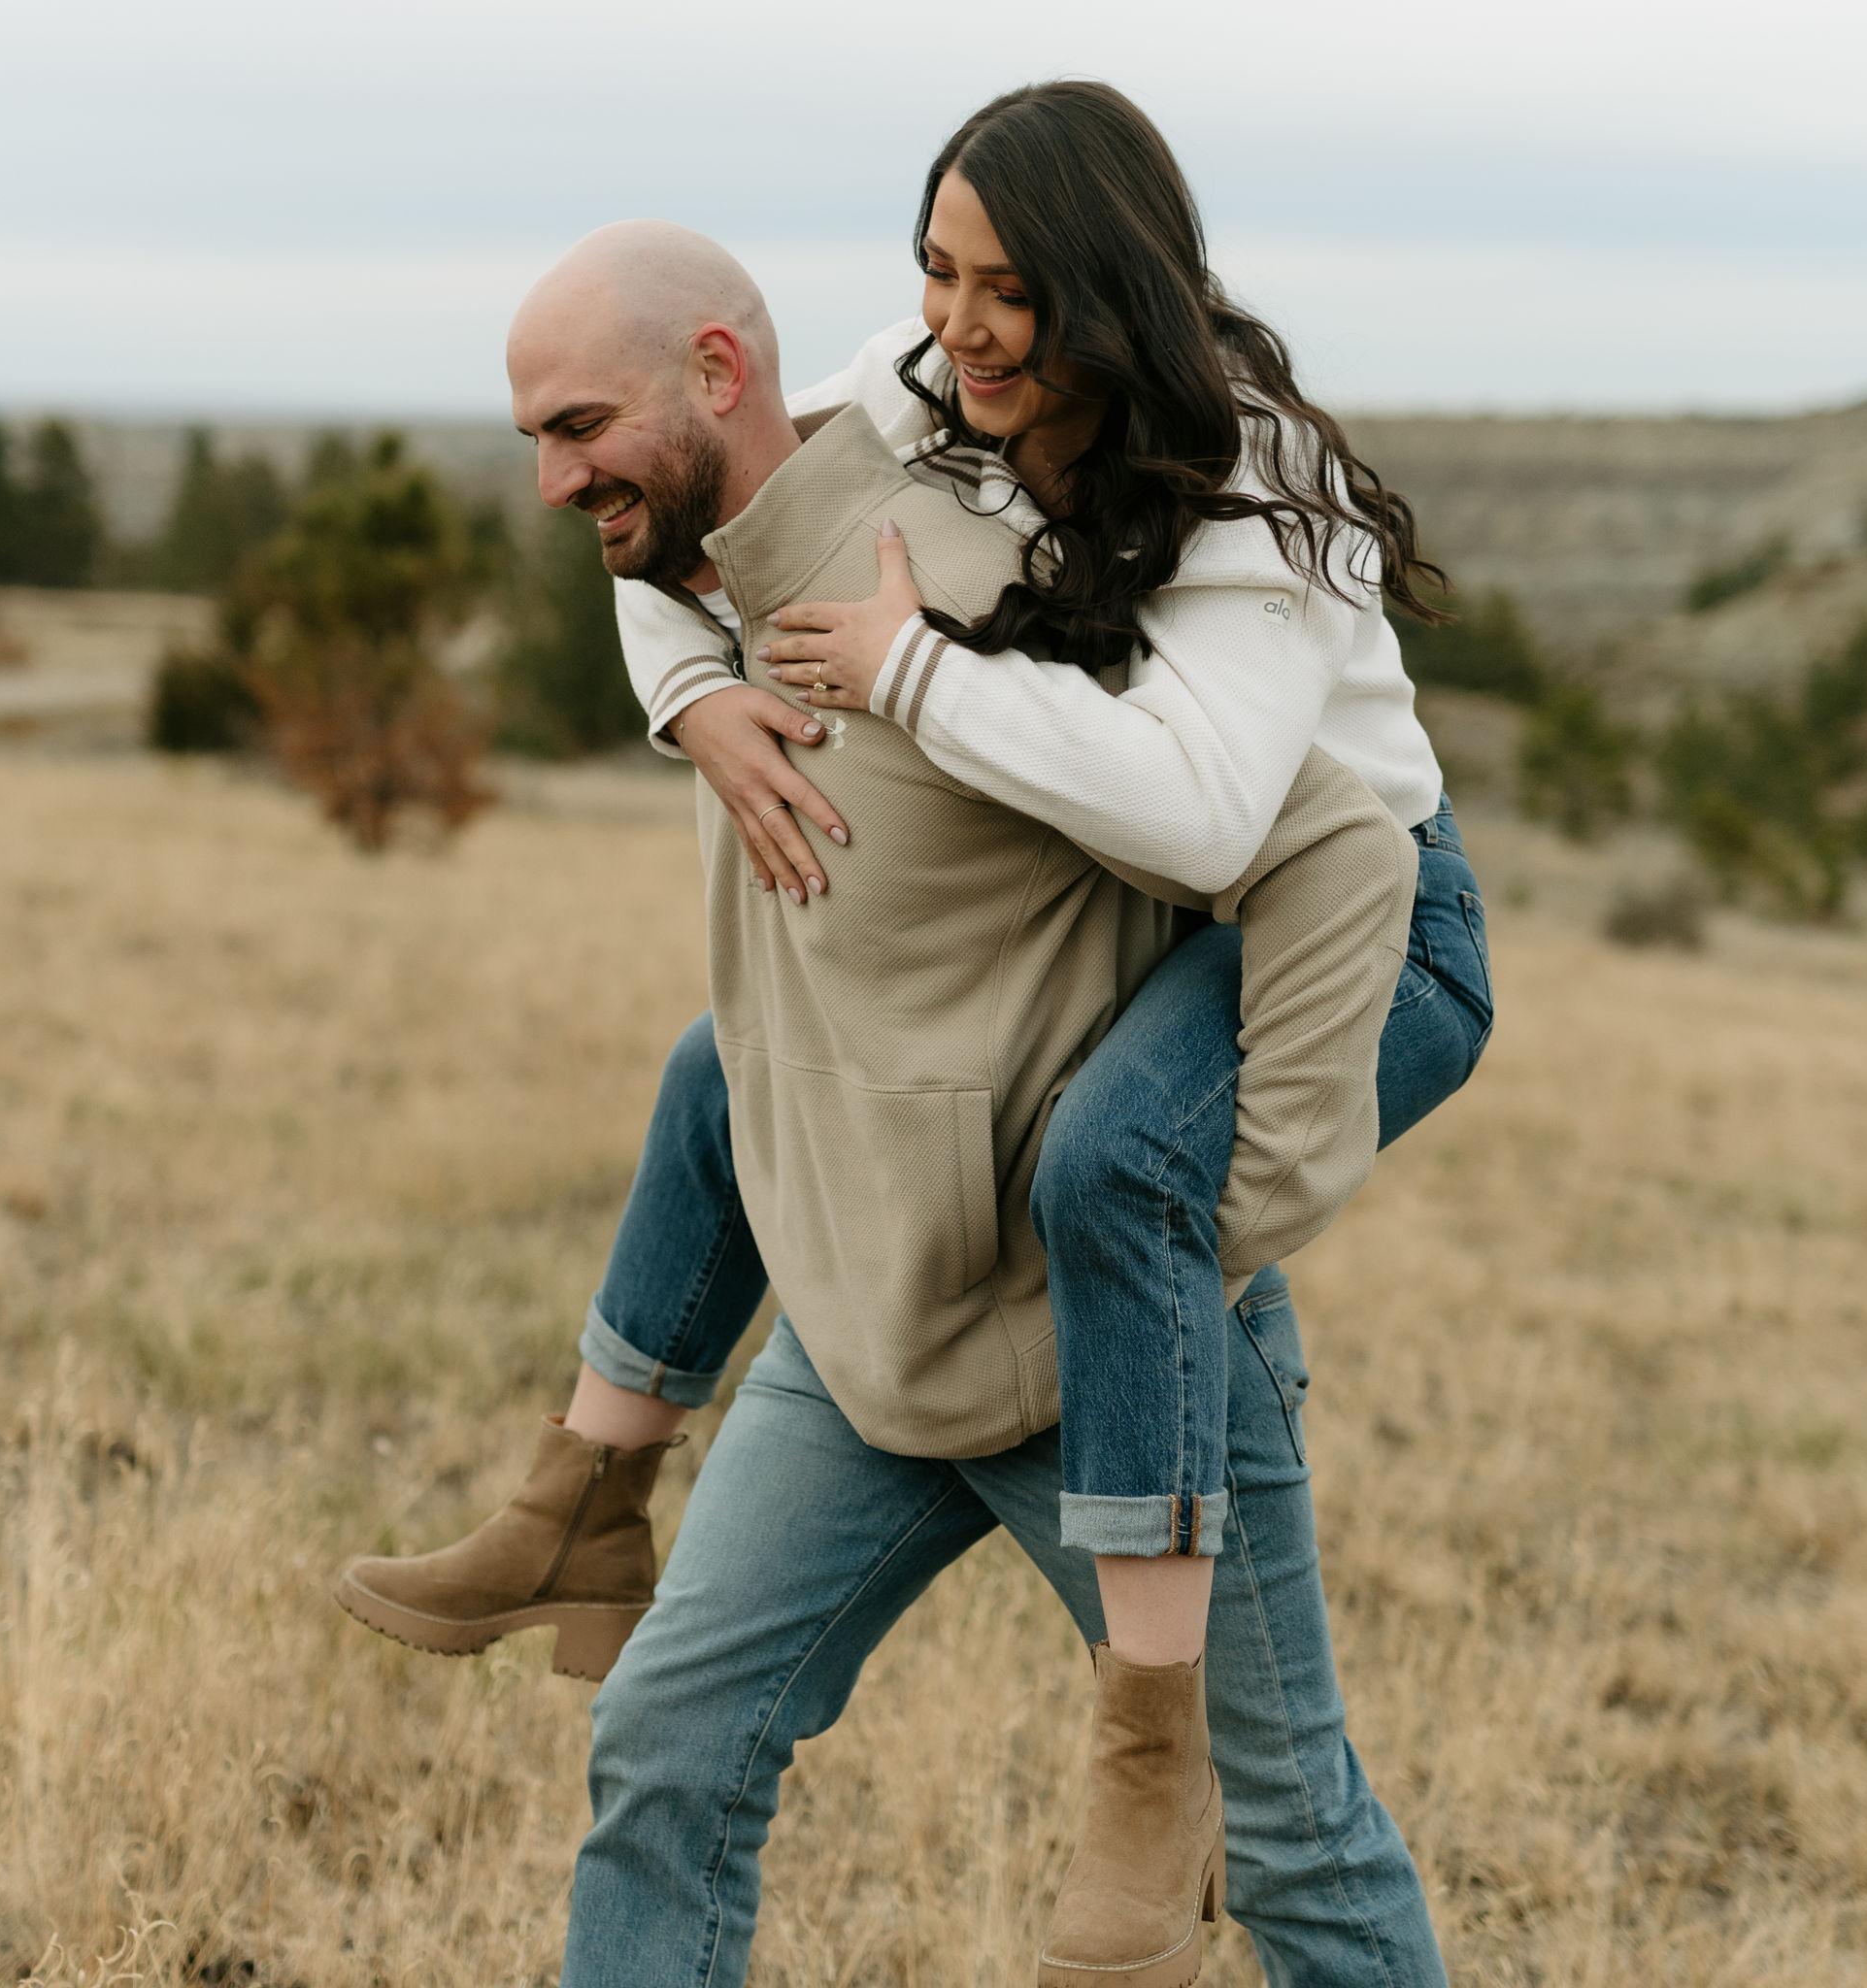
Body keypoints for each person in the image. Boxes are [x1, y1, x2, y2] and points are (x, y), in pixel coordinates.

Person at [340, 82, 1492, 1988]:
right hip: (911, 1241)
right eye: (934, 272)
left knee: (1123, 1180)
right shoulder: (923, 387)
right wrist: (694, 698)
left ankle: (1149, 1733)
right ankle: (583, 1492)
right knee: (672, 1715)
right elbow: (707, 521)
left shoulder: (1254, 487)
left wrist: (903, 670)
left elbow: (1225, 824)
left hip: (1353, 933)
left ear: (1110, 289)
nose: (953, 324)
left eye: (1004, 287)